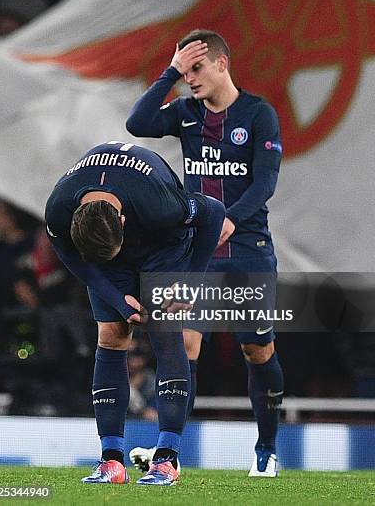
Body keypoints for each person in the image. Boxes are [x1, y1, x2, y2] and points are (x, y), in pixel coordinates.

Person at [126, 29, 284, 477]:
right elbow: (137, 124)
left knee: (257, 350)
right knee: (184, 344)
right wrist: (169, 73)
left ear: (221, 64)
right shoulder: (185, 113)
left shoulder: (258, 115)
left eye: (195, 68)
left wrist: (230, 218)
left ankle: (267, 448)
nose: (189, 78)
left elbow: (264, 182)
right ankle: (167, 452)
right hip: (197, 253)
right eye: (184, 70)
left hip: (248, 252)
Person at [45, 140, 225, 485]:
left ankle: (167, 460)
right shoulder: (58, 209)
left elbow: (214, 211)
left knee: (164, 329)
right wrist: (115, 296)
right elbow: (70, 257)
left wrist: (189, 283)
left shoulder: (160, 204)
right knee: (111, 335)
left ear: (122, 221)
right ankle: (111, 461)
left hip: (164, 243)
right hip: (106, 253)